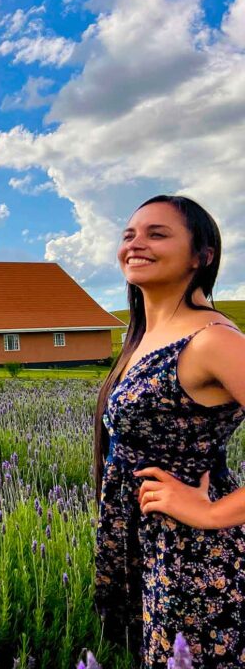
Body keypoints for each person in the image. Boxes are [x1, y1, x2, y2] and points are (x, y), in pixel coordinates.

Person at [93, 195, 245, 668]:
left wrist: (214, 512)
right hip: (150, 546)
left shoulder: (212, 339)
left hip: (194, 557)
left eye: (157, 234)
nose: (135, 244)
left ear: (202, 256)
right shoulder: (144, 336)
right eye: (129, 235)